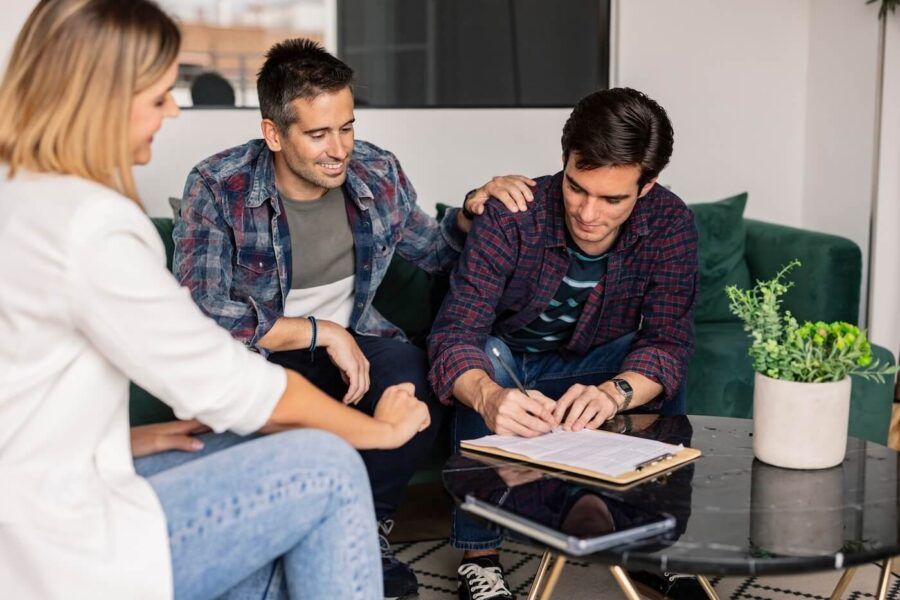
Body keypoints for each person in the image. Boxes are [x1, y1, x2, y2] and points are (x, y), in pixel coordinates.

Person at [0, 2, 431, 599]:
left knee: (239, 462)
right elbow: (229, 382)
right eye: (157, 97)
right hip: (54, 532)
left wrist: (121, 440)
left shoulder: (21, 198)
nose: (175, 108)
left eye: (346, 127)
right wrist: (380, 433)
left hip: (46, 482)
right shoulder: (94, 224)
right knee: (327, 469)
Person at [173, 37, 535, 597]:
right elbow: (201, 307)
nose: (338, 149)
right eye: (318, 134)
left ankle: (365, 529)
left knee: (421, 378)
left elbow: (433, 252)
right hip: (257, 357)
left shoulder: (376, 172)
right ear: (274, 133)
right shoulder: (219, 185)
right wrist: (321, 331)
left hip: (355, 350)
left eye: (346, 127)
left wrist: (469, 214)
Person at [427, 87, 699, 600]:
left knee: (663, 368)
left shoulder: (671, 223)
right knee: (479, 358)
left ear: (647, 186)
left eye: (612, 198)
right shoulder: (511, 214)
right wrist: (489, 396)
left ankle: (654, 545)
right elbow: (454, 334)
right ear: (564, 163)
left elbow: (668, 339)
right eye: (577, 189)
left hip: (599, 367)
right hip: (512, 369)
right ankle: (479, 557)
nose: (589, 214)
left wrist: (615, 392)